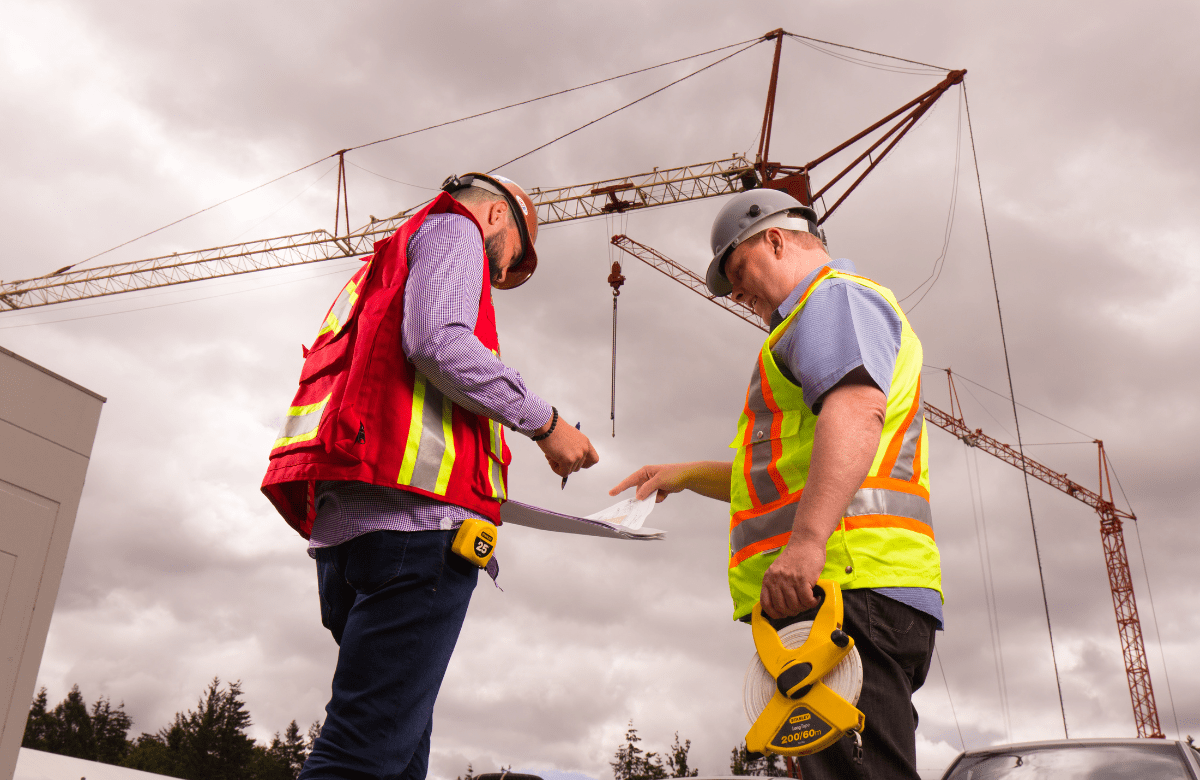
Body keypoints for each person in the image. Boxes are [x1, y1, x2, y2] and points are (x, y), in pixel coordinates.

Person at [261, 172, 599, 780]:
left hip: (348, 538)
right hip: (413, 537)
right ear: (498, 216)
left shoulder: (383, 267)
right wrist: (547, 424)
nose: (495, 280)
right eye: (510, 261)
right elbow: (438, 341)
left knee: (396, 752)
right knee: (360, 759)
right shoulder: (454, 230)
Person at [610, 188, 942, 780]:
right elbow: (785, 471)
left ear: (777, 239)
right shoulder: (821, 316)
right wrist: (685, 475)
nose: (738, 294)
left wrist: (808, 542)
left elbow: (855, 409)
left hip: (844, 586)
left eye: (737, 273)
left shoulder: (831, 299)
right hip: (849, 589)